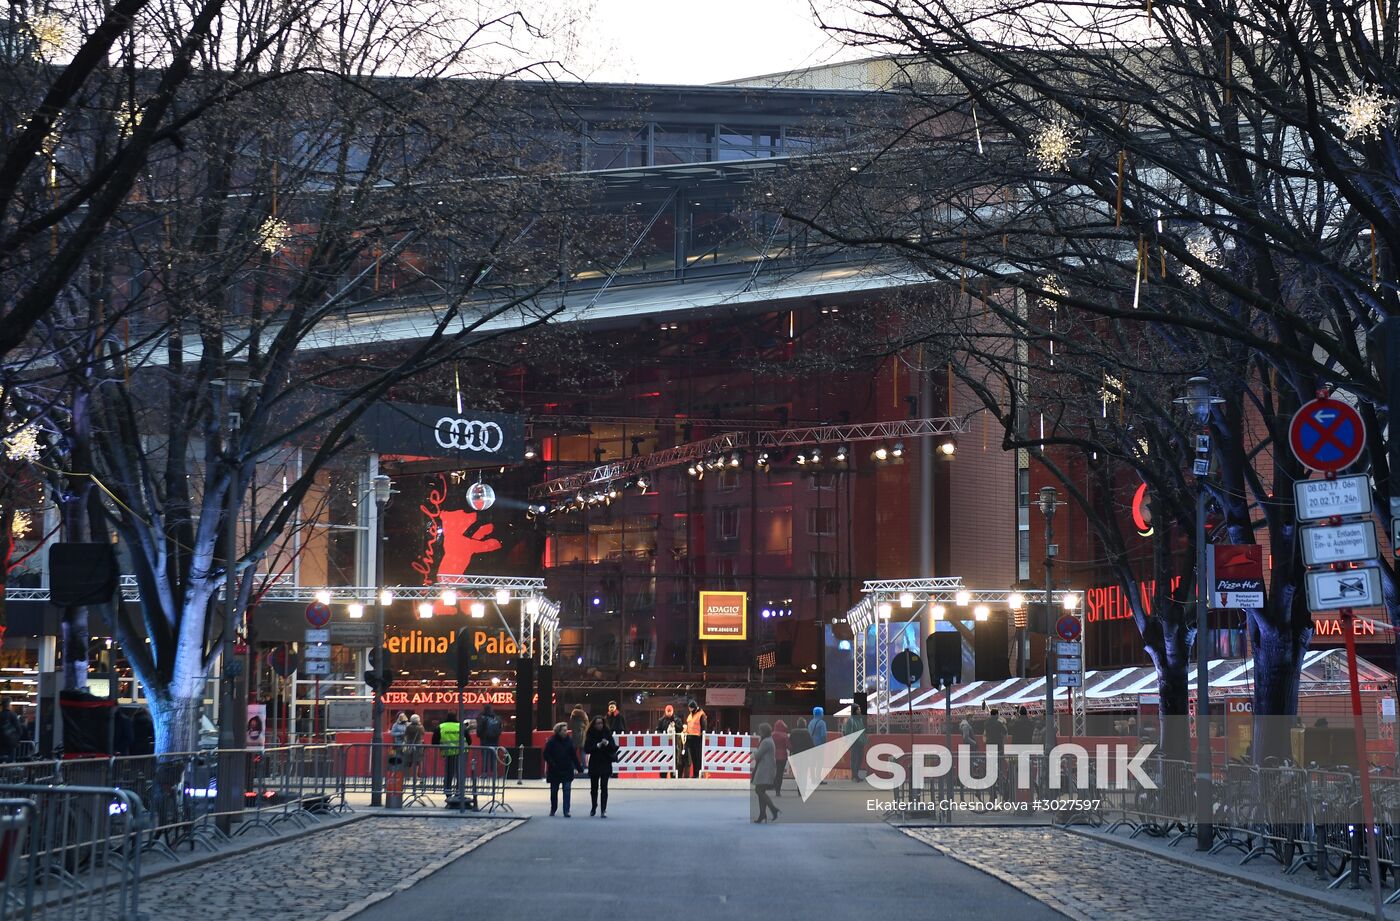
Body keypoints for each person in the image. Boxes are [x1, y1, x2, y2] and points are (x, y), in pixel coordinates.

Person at [543, 722, 583, 816]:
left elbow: (573, 755)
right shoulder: (552, 741)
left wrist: (579, 768)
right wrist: (552, 763)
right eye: (564, 730)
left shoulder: (569, 741)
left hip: (567, 769)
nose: (566, 732)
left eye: (566, 730)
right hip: (555, 770)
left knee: (567, 790)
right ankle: (553, 808)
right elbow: (546, 754)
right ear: (558, 731)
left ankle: (566, 810)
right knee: (554, 791)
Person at [584, 716, 617, 816]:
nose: (600, 725)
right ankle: (594, 806)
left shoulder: (607, 732)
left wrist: (607, 743)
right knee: (594, 788)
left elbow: (613, 748)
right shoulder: (590, 734)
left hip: (605, 762)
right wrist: (597, 745)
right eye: (598, 723)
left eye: (601, 723)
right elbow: (587, 749)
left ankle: (603, 809)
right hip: (595, 762)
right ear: (594, 724)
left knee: (604, 787)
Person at [751, 723, 779, 823]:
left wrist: (753, 754)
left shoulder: (766, 742)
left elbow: (758, 755)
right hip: (768, 768)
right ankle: (762, 814)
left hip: (765, 769)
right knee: (760, 790)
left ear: (763, 731)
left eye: (760, 730)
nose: (759, 732)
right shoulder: (769, 740)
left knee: (759, 790)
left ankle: (773, 809)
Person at [437, 716, 466, 797]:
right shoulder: (461, 726)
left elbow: (434, 741)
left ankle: (448, 793)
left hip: (448, 753)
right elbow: (469, 740)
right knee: (459, 773)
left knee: (448, 774)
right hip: (460, 753)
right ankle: (458, 793)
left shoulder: (441, 726)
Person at [477, 703, 503, 777]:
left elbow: (480, 729)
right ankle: (495, 773)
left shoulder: (483, 718)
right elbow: (500, 728)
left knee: (485, 757)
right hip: (495, 740)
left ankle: (484, 773)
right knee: (494, 756)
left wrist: (479, 735)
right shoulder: (497, 718)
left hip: (485, 740)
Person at [657, 705, 682, 778]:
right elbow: (658, 730)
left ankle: (673, 775)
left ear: (672, 711)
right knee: (662, 760)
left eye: (670, 711)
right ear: (665, 711)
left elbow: (681, 729)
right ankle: (663, 776)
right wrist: (662, 735)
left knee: (674, 760)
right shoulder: (661, 720)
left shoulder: (677, 719)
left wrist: (675, 726)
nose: (669, 713)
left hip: (674, 744)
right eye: (667, 711)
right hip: (663, 745)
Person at [844, 704, 867, 781]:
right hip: (854, 742)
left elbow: (862, 730)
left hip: (860, 743)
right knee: (854, 759)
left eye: (859, 709)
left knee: (860, 759)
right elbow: (847, 732)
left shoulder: (860, 719)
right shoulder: (851, 720)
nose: (859, 711)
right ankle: (854, 776)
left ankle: (856, 774)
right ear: (854, 710)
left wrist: (864, 739)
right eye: (858, 709)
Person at [684, 700, 706, 778]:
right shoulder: (690, 715)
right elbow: (689, 725)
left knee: (698, 757)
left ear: (694, 707)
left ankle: (699, 773)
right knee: (693, 757)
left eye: (690, 708)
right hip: (690, 738)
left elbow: (704, 727)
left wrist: (702, 737)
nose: (689, 709)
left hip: (698, 738)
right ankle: (695, 774)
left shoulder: (701, 714)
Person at [771, 719, 790, 795]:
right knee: (780, 773)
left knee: (774, 772)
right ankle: (778, 790)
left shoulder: (772, 735)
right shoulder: (785, 735)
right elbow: (788, 746)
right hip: (782, 757)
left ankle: (773, 785)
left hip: (773, 756)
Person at [404, 714, 425, 780]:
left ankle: (407, 776)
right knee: (417, 761)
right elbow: (423, 733)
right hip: (418, 745)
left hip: (409, 744)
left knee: (409, 760)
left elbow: (406, 734)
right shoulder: (420, 727)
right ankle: (415, 776)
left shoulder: (408, 727)